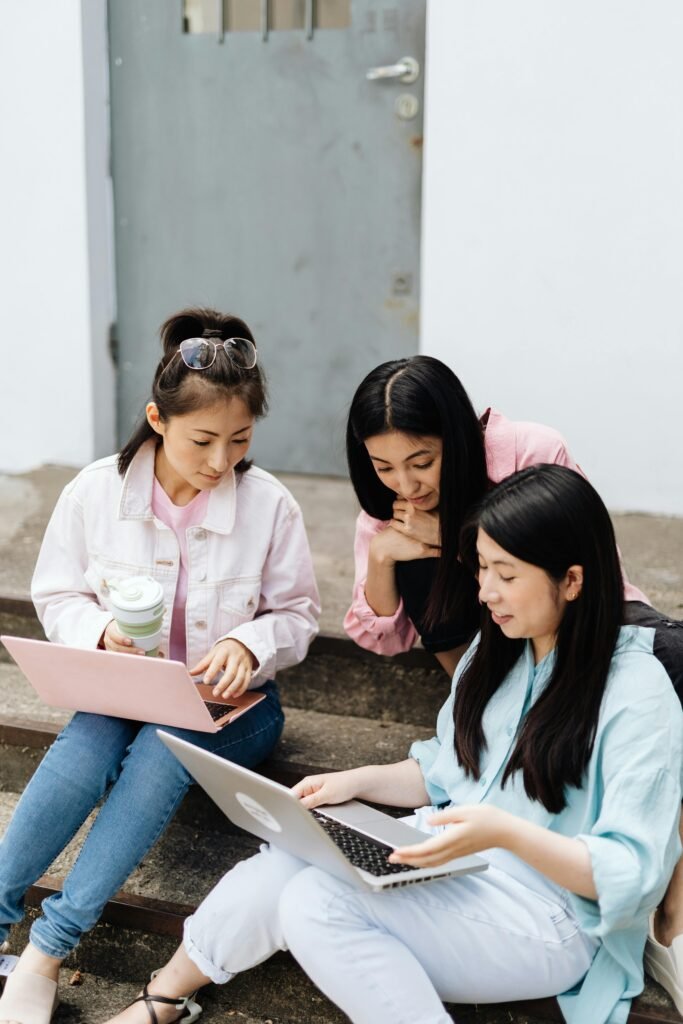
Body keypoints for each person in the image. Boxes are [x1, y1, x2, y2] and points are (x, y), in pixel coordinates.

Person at [103, 465, 682, 1024]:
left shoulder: (635, 692)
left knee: (316, 903)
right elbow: (445, 769)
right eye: (481, 569)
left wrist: (502, 832)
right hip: (455, 859)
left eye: (506, 575)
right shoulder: (498, 652)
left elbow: (628, 874)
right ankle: (162, 1000)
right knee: (295, 854)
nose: (485, 592)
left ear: (573, 580)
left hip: (553, 916)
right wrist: (354, 783)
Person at [0, 307, 320, 1024]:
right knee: (85, 746)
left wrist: (250, 645)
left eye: (239, 440)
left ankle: (48, 952)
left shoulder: (271, 508)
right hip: (124, 686)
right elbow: (56, 592)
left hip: (231, 708)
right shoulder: (93, 492)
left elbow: (299, 618)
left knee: (159, 751)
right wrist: (102, 631)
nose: (220, 461)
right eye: (203, 440)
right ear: (157, 418)